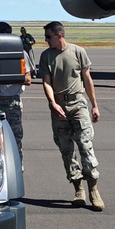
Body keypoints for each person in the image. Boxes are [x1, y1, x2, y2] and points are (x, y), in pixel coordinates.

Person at [39, 20, 103, 210]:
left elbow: (87, 79)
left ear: (59, 35)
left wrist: (95, 106)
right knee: (66, 150)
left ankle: (93, 189)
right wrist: (52, 103)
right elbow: (46, 82)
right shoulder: (46, 56)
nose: (46, 40)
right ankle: (78, 189)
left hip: (79, 105)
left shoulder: (78, 52)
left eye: (48, 36)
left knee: (85, 145)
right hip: (59, 106)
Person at [0, 19, 31, 166]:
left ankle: (18, 167)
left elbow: (28, 79)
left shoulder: (20, 54)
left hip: (12, 100)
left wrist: (9, 74)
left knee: (15, 137)